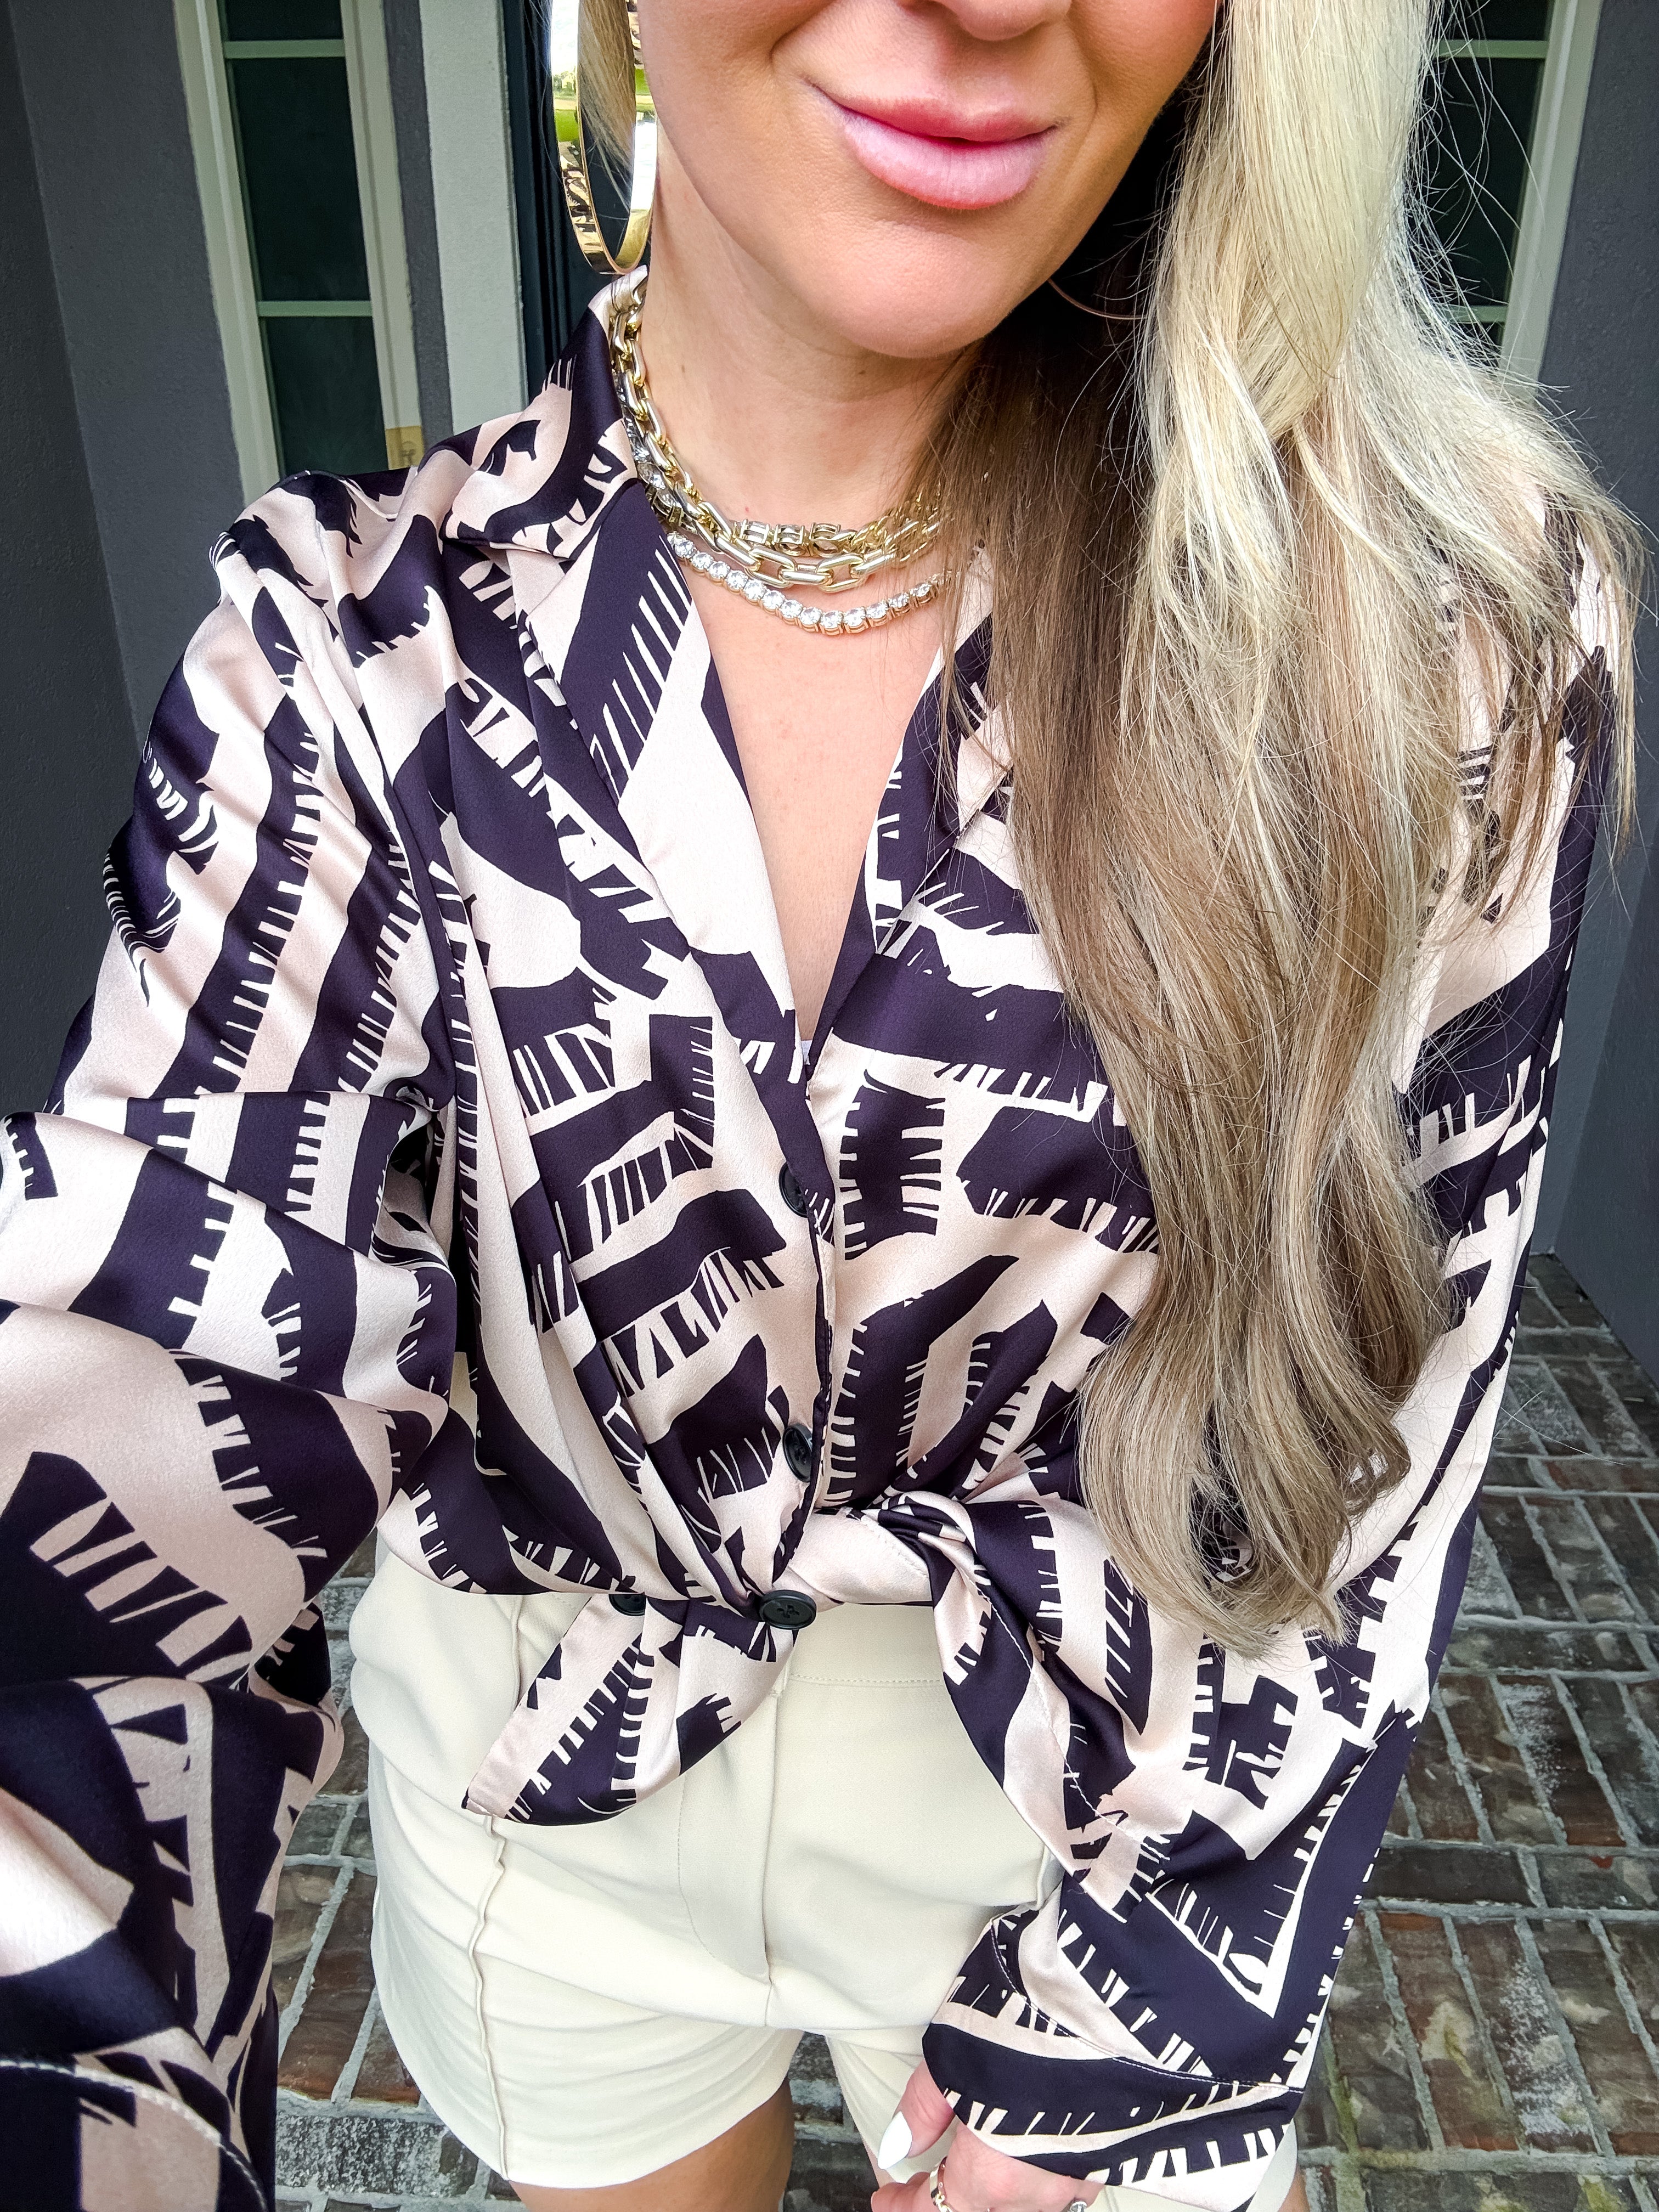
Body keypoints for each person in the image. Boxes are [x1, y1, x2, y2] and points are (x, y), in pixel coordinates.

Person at [0, 0, 1639, 2208]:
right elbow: (109, 1504)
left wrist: (1147, 2016)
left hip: (1101, 1829)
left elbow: (1390, 1422)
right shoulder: (344, 658)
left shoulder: (1444, 638)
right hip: (542, 1809)